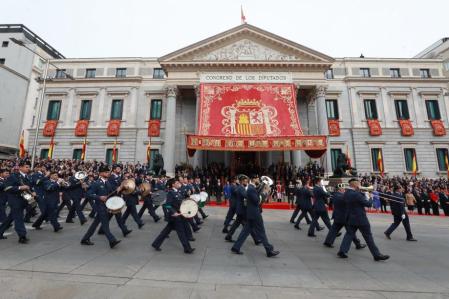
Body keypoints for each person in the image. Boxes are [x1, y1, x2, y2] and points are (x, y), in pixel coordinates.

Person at [337, 178, 389, 261]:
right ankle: (376, 254)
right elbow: (368, 204)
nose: (359, 185)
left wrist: (361, 193)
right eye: (358, 183)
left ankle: (342, 251)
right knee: (368, 236)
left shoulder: (346, 193)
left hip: (350, 218)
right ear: (355, 184)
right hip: (360, 218)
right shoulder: (356, 194)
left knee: (349, 235)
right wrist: (370, 197)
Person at [231, 175, 279, 257]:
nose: (259, 180)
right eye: (257, 179)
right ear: (253, 180)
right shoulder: (250, 188)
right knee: (261, 231)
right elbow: (257, 201)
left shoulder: (251, 187)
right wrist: (265, 193)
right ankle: (269, 250)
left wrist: (263, 186)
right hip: (255, 213)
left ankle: (236, 247)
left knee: (245, 232)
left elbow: (257, 191)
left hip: (251, 213)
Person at [80, 165, 121, 249]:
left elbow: (111, 192)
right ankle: (112, 240)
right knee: (105, 225)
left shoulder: (107, 182)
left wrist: (118, 190)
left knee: (95, 224)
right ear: (101, 173)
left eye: (108, 172)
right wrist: (99, 197)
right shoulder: (96, 183)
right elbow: (88, 194)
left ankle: (85, 239)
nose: (108, 173)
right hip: (100, 206)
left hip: (106, 206)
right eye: (106, 172)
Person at [151, 178, 194, 253]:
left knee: (166, 231)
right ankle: (187, 248)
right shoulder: (171, 193)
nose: (179, 184)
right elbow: (167, 205)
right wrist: (174, 212)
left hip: (179, 214)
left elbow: (182, 200)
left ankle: (156, 244)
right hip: (175, 216)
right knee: (181, 232)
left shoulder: (179, 191)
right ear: (173, 184)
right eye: (177, 183)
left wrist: (188, 194)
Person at [323, 184, 365, 249]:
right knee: (351, 232)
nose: (344, 190)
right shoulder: (341, 196)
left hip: (338, 216)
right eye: (343, 189)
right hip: (344, 217)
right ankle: (357, 244)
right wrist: (358, 193)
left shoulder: (335, 195)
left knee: (333, 230)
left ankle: (328, 242)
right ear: (340, 189)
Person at [0, 161, 33, 243]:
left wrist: (33, 192)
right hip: (15, 200)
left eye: (29, 167)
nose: (28, 169)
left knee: (10, 218)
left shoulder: (27, 177)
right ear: (20, 167)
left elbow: (28, 187)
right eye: (26, 167)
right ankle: (22, 236)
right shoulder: (14, 176)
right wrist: (19, 188)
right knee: (19, 218)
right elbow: (7, 188)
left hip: (24, 199)